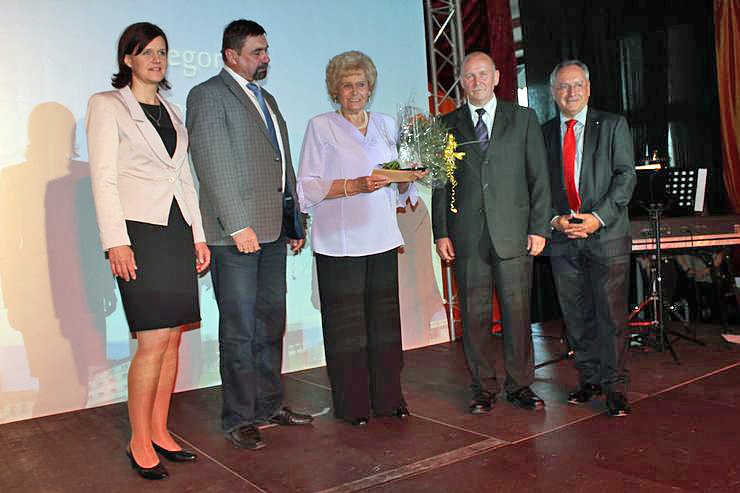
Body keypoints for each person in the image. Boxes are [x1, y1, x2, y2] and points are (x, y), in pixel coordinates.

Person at [86, 22, 210, 480]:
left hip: (177, 230)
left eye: (162, 52)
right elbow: (103, 179)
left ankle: (160, 430)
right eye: (147, 52)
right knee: (153, 339)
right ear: (128, 59)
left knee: (173, 336)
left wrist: (198, 234)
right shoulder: (107, 105)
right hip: (138, 233)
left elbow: (183, 179)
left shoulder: (172, 111)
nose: (157, 60)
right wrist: (115, 241)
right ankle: (138, 439)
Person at [186, 19, 312, 451]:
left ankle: (269, 405)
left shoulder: (266, 98)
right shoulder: (207, 95)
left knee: (271, 322)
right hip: (235, 236)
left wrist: (295, 221)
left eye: (266, 50)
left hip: (274, 231)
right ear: (231, 55)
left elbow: (282, 164)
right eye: (257, 51)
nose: (266, 58)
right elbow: (212, 164)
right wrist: (238, 225)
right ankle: (239, 417)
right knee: (239, 329)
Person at [297, 51, 426, 426]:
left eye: (361, 85)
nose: (355, 92)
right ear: (334, 91)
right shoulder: (321, 126)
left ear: (371, 89)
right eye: (347, 85)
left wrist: (409, 177)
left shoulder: (387, 124)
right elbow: (307, 187)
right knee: (346, 329)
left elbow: (399, 184)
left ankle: (389, 399)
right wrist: (353, 186)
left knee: (385, 325)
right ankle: (352, 405)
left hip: (382, 238)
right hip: (340, 243)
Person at [431, 52, 551, 414]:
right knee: (474, 316)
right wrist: (441, 231)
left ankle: (521, 385)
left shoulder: (524, 118)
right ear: (462, 82)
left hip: (514, 234)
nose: (477, 81)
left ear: (497, 77)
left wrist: (539, 228)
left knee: (517, 313)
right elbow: (441, 183)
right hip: (466, 236)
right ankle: (482, 387)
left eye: (483, 74)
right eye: (469, 76)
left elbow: (539, 177)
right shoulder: (445, 125)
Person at [542, 60, 636, 416]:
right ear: (553, 92)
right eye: (564, 86)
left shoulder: (613, 125)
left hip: (606, 235)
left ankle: (615, 387)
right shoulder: (543, 133)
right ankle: (590, 379)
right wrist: (555, 219)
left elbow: (625, 177)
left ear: (589, 88)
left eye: (577, 84)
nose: (571, 92)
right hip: (563, 238)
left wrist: (597, 219)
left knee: (610, 316)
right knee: (576, 316)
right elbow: (537, 186)